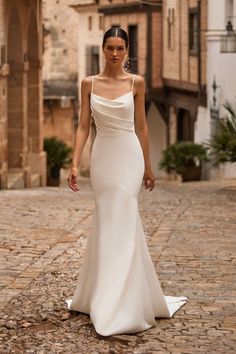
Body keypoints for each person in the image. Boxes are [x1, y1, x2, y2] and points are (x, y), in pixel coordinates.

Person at [65, 27, 187, 336]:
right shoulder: (88, 84)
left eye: (120, 48)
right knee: (107, 222)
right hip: (103, 157)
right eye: (110, 48)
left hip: (128, 157)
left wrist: (148, 165)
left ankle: (124, 300)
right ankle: (103, 292)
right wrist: (76, 163)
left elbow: (142, 127)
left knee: (126, 218)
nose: (115, 53)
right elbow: (83, 127)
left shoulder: (137, 83)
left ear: (127, 50)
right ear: (102, 49)